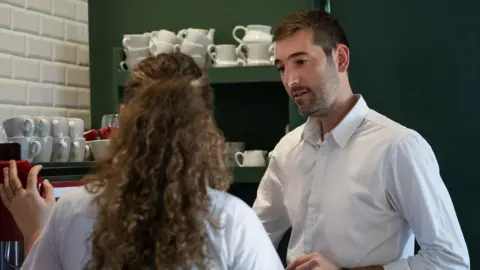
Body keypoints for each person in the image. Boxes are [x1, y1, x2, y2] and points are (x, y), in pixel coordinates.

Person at [0, 53, 285, 269]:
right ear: (205, 125)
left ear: (124, 116)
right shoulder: (233, 221)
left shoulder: (73, 212)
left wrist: (35, 229)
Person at [252, 9, 470, 270]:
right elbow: (253, 238)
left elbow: (450, 260)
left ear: (341, 59)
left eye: (301, 62)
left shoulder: (398, 147)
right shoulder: (287, 149)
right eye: (281, 67)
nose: (290, 80)